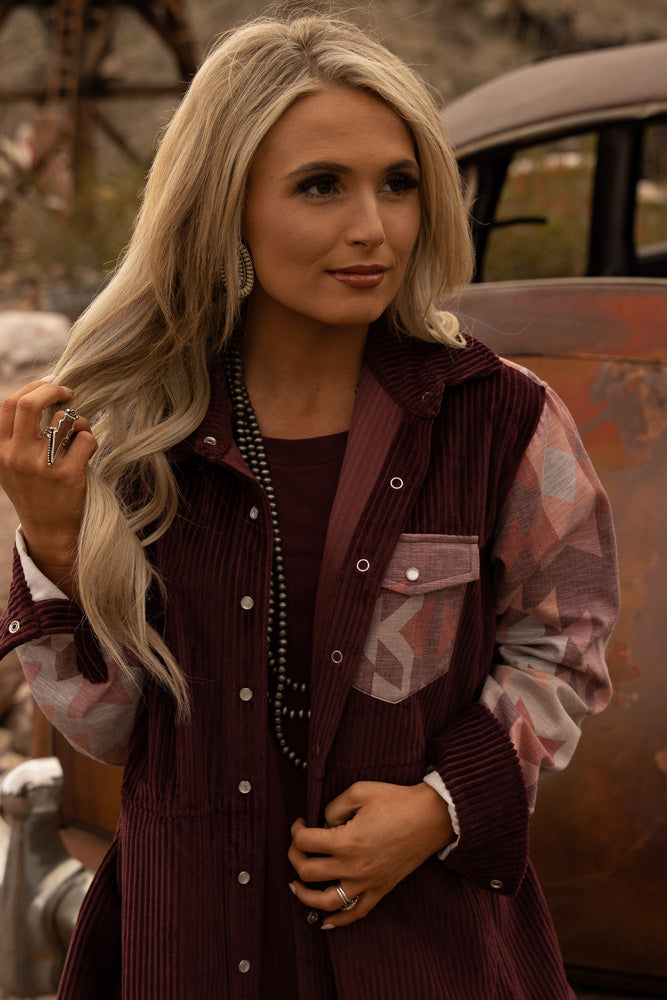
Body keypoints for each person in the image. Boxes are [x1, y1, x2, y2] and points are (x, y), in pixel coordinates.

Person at [0, 11, 619, 1000]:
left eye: (399, 182)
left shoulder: (501, 421)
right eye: (320, 186)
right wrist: (58, 545)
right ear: (224, 204)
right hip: (191, 943)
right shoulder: (137, 440)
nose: (371, 227)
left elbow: (568, 645)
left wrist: (438, 806)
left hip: (428, 951)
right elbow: (114, 731)